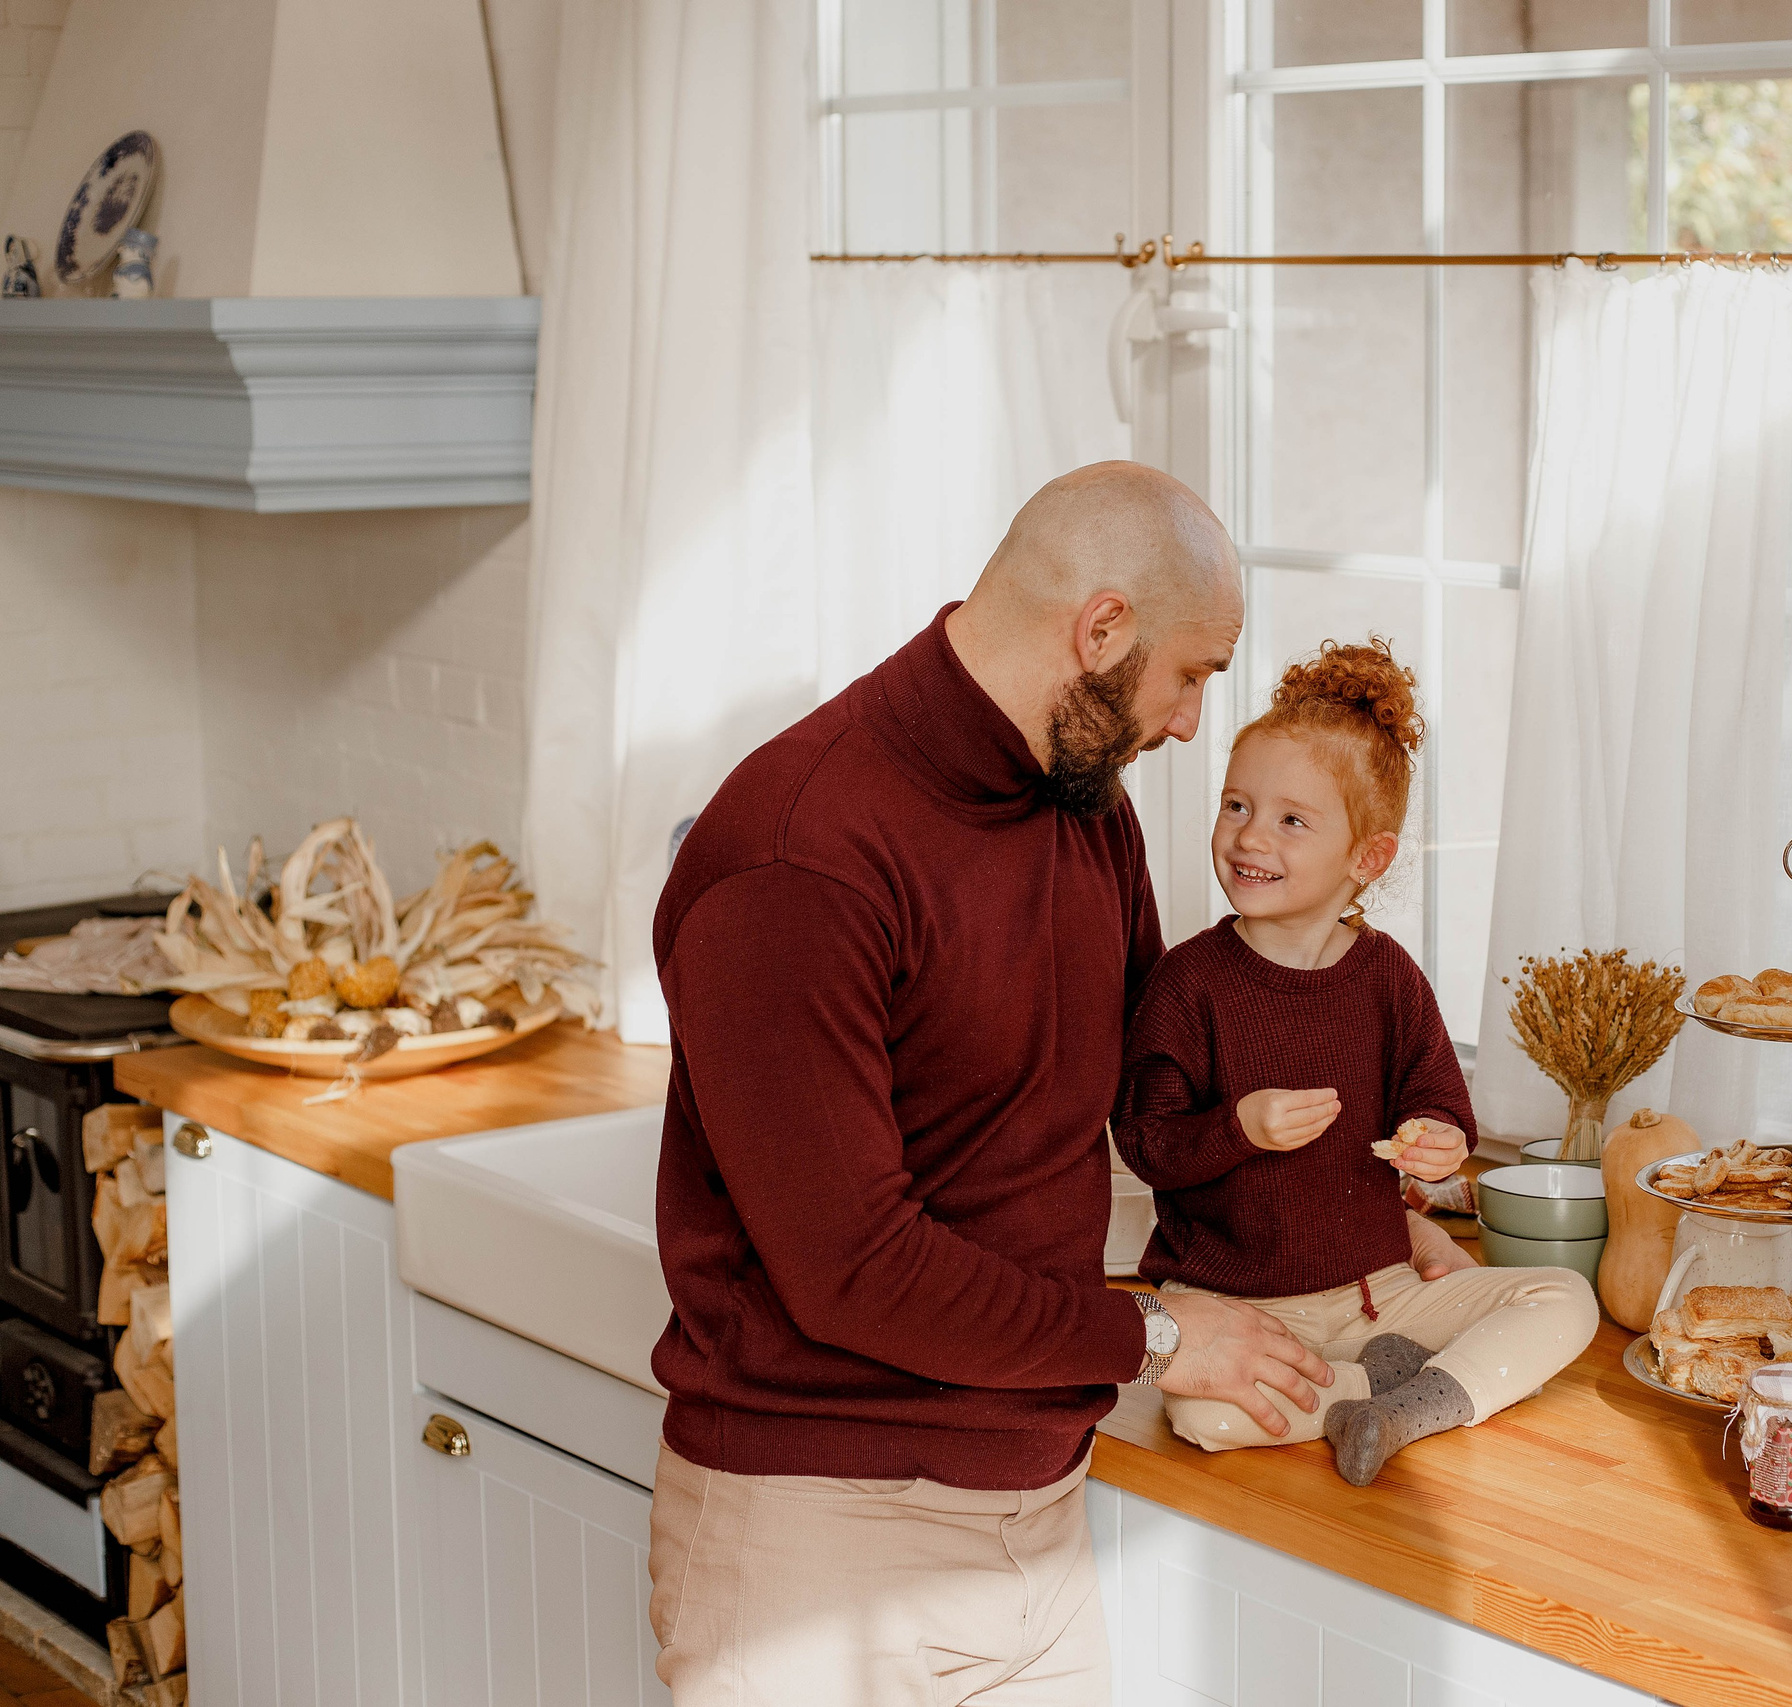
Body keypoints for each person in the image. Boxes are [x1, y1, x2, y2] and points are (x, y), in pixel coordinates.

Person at [644, 465, 1468, 1707]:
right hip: (820, 1548)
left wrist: (1371, 1214)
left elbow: (1163, 1096)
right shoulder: (798, 858)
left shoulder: (1085, 813)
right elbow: (851, 1268)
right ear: (1101, 631)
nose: (1192, 722)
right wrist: (1151, 1334)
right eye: (1191, 674)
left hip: (1035, 1517)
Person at [1113, 639, 1602, 1487]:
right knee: (1202, 1416)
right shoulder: (1187, 983)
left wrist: (1439, 1141)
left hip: (1384, 1294)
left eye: (1291, 819)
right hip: (1238, 1312)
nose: (1250, 835)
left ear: (1366, 858)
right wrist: (1240, 1127)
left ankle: (1400, 1406)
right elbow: (1145, 1141)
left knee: (1566, 1299)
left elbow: (1442, 1102)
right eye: (1236, 805)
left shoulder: (1386, 977)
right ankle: (1378, 1387)